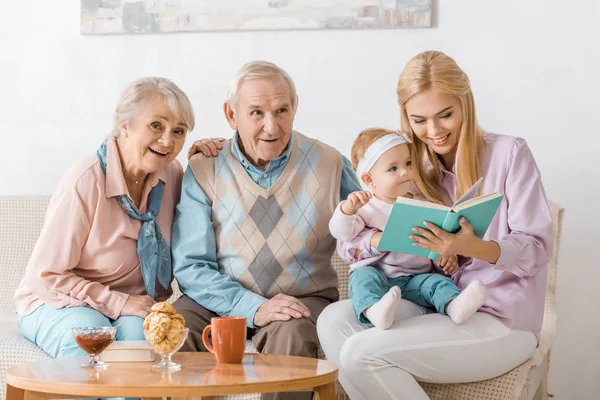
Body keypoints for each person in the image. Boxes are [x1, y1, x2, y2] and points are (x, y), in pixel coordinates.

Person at [317, 51, 553, 400]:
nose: (434, 131)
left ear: (465, 105)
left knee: (361, 353)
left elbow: (537, 249)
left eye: (445, 115)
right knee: (333, 320)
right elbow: (350, 244)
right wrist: (376, 239)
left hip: (502, 318)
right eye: (419, 120)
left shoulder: (510, 154)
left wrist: (471, 248)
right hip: (435, 302)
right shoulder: (408, 166)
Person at [171, 60, 361, 400]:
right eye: (256, 112)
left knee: (290, 335)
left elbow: (366, 232)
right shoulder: (204, 167)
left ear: (295, 107)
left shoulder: (331, 163)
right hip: (215, 300)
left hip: (300, 298)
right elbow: (190, 266)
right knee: (177, 327)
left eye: (281, 110)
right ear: (231, 115)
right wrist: (252, 306)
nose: (271, 126)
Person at [14, 77, 194, 358]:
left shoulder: (172, 175)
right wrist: (118, 302)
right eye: (156, 126)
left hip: (131, 307)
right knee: (90, 333)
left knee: (139, 340)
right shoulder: (85, 181)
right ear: (125, 124)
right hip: (57, 302)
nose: (167, 141)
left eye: (179, 131)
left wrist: (213, 156)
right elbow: (45, 276)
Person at [329, 128, 487, 330]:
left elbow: (433, 241)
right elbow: (342, 233)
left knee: (436, 283)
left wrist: (444, 257)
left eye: (408, 163)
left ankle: (454, 306)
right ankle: (374, 310)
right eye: (393, 168)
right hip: (380, 275)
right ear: (369, 180)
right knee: (362, 278)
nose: (405, 172)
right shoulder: (366, 206)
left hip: (416, 278)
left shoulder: (423, 204)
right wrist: (346, 209)